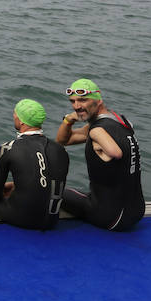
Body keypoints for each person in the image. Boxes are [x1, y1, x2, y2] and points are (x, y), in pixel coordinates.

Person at [56, 78, 144, 231]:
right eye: (73, 101)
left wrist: (107, 148)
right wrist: (68, 120)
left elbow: (115, 152)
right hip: (136, 212)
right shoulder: (122, 121)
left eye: (82, 100)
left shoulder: (97, 130)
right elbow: (65, 140)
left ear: (98, 101)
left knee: (53, 189)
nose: (76, 106)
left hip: (108, 217)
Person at [0, 99, 69, 230]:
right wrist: (20, 185)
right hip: (52, 220)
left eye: (15, 114)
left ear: (21, 121)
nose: (13, 116)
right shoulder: (60, 149)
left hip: (22, 219)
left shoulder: (8, 148)